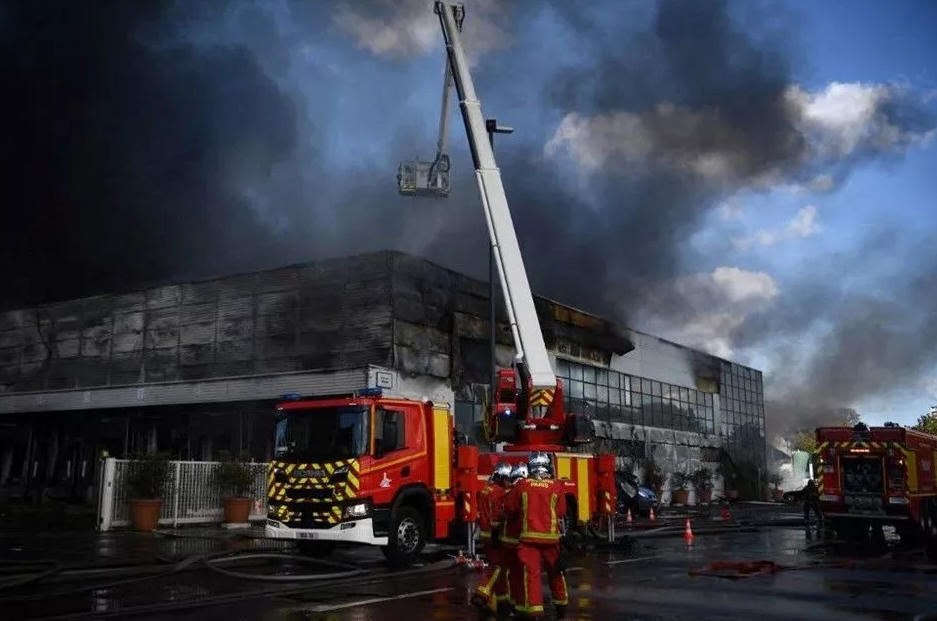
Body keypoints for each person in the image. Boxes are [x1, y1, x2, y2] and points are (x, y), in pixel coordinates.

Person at [503, 452, 569, 620]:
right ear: (547, 466)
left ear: (530, 466)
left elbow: (509, 509)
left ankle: (535, 612)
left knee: (532, 576)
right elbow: (561, 512)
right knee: (556, 573)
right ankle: (561, 606)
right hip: (551, 540)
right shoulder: (556, 486)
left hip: (528, 540)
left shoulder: (522, 485)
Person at [472, 461, 513, 616]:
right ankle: (482, 593)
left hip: (485, 534)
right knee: (499, 568)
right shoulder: (500, 493)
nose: (509, 482)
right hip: (495, 535)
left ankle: (495, 603)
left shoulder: (485, 490)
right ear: (501, 477)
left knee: (498, 568)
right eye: (507, 479)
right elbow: (498, 515)